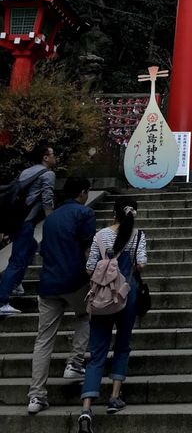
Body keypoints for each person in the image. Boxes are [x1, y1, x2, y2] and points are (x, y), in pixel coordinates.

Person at [78, 197, 147, 432]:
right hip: (127, 295)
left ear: (114, 213)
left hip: (101, 297)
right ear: (134, 213)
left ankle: (86, 407)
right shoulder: (137, 236)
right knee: (122, 346)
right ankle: (114, 397)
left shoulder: (100, 235)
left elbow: (90, 267)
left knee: (97, 352)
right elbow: (141, 264)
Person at [27, 177, 96, 415]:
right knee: (86, 315)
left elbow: (44, 250)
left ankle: (36, 395)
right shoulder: (84, 213)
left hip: (49, 282)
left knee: (43, 340)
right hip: (75, 279)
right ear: (83, 192)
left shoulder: (51, 218)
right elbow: (88, 249)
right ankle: (75, 362)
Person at [0, 142, 57, 315]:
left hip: (15, 220)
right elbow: (47, 200)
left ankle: (16, 283)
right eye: (52, 154)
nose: (55, 157)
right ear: (45, 157)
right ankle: (2, 301)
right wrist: (52, 223)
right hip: (26, 221)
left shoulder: (26, 172)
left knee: (31, 247)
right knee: (17, 261)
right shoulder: (48, 174)